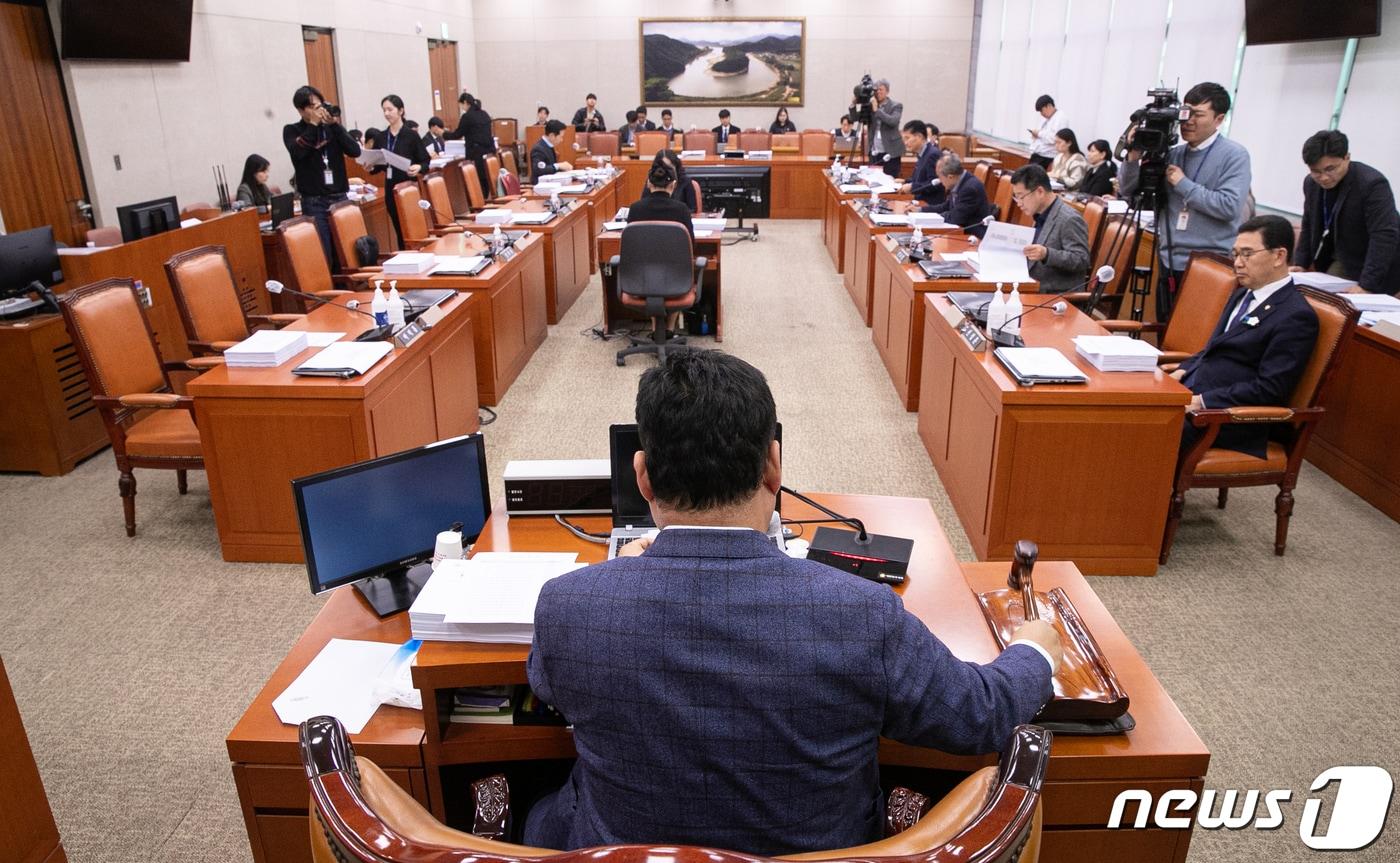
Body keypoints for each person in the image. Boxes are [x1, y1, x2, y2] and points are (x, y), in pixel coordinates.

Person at [524, 348, 1058, 854]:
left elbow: (548, 686)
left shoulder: (568, 606)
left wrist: (622, 582)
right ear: (773, 468)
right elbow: (981, 716)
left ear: (642, 476)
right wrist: (1034, 650)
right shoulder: (862, 614)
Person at [1172, 216, 1319, 458]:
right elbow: (1214, 348)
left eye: (1247, 254)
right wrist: (1182, 370)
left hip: (1231, 417)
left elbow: (1270, 388)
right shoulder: (1242, 295)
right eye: (1235, 254)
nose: (1237, 264)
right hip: (1197, 393)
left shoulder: (1295, 316)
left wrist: (1203, 401)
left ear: (1279, 256)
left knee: (1154, 426)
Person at [1119, 81, 1251, 320]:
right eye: (1186, 113)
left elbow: (1229, 207)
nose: (1188, 121)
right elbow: (1130, 193)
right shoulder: (1172, 152)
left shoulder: (1234, 155)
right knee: (1165, 329)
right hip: (1169, 260)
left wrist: (1182, 183)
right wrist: (1133, 157)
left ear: (1219, 119)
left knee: (1193, 338)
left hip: (1209, 266)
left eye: (1198, 115)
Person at [1294, 129, 1400, 295]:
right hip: (1343, 255)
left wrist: (1367, 285)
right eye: (1316, 171)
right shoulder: (1311, 184)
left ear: (1347, 158)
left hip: (1380, 262)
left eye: (1330, 169)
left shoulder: (1371, 184)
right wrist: (1300, 263)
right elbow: (1309, 223)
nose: (1324, 178)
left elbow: (1384, 235)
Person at [282, 84, 361, 264]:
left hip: (340, 197)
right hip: (314, 201)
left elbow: (354, 151)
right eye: (313, 107)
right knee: (324, 254)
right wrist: (313, 125)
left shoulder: (331, 128)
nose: (319, 110)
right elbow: (299, 152)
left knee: (348, 253)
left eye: (320, 105)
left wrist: (335, 125)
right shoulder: (292, 130)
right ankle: (330, 291)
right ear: (301, 110)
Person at [1009, 165, 1090, 294]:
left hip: (1054, 296)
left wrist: (1047, 254)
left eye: (1021, 196)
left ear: (1040, 192)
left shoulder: (1069, 219)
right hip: (1029, 285)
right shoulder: (1040, 213)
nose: (1018, 203)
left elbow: (1081, 260)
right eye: (1016, 197)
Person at [374, 94, 431, 246]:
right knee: (399, 229)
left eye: (390, 109)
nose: (386, 113)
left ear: (400, 111)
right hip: (390, 187)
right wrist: (370, 165)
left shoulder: (411, 135)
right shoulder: (381, 137)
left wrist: (419, 167)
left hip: (408, 187)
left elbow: (425, 161)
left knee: (412, 228)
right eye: (384, 110)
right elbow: (377, 165)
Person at [927, 153, 993, 238]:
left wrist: (933, 218)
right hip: (961, 232)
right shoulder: (959, 182)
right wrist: (920, 210)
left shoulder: (970, 188)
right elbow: (946, 207)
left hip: (974, 237)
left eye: (940, 177)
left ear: (950, 177)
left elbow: (956, 218)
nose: (940, 181)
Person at [848, 78, 904, 177]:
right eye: (876, 90)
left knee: (890, 179)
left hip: (891, 151)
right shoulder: (870, 105)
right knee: (874, 180)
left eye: (881, 89)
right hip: (874, 150)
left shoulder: (896, 106)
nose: (878, 92)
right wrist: (853, 105)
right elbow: (855, 118)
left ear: (887, 91)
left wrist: (877, 110)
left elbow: (893, 121)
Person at [625, 160, 694, 238]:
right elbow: (690, 243)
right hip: (673, 250)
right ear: (673, 185)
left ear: (648, 183)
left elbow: (630, 241)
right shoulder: (682, 209)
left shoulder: (635, 209)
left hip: (644, 250)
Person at [444, 91, 495, 193]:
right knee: (486, 180)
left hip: (476, 153)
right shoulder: (484, 114)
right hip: (489, 151)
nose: (462, 108)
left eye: (461, 105)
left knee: (477, 182)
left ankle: (480, 202)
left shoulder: (467, 117)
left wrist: (443, 134)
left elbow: (457, 134)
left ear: (466, 103)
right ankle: (486, 199)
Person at [898, 121, 944, 208]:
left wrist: (912, 187)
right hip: (919, 201)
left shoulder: (932, 154)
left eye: (907, 138)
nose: (905, 143)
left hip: (930, 204)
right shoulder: (922, 153)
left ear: (919, 136)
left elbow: (934, 184)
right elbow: (921, 179)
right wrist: (905, 181)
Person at [1027, 95, 1067, 169]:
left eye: (1042, 110)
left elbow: (1054, 139)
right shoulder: (1047, 117)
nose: (1041, 114)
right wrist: (1035, 135)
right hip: (1038, 154)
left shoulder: (1060, 118)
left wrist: (1039, 133)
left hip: (1047, 157)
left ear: (1049, 106)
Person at [653, 149, 696, 214]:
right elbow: (646, 205)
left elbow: (692, 209)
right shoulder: (652, 181)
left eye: (669, 168)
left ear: (676, 166)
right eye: (663, 167)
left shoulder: (685, 182)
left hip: (679, 219)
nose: (666, 171)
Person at [531, 119, 574, 184]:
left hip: (550, 183)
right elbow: (539, 169)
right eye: (561, 137)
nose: (561, 140)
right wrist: (558, 166)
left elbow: (550, 167)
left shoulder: (548, 145)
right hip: (541, 188)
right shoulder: (538, 149)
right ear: (552, 136)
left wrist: (563, 167)